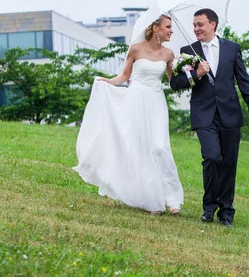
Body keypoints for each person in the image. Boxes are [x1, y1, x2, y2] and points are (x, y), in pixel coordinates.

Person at [73, 14, 184, 215]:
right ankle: (152, 200)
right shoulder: (135, 48)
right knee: (140, 147)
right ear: (155, 28)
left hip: (156, 102)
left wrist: (190, 71)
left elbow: (174, 83)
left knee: (160, 147)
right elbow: (125, 75)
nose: (171, 31)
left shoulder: (169, 54)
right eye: (168, 27)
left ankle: (172, 199)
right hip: (136, 100)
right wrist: (107, 82)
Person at [170, 8, 249, 227]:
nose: (196, 29)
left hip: (230, 113)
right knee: (212, 158)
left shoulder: (232, 48)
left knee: (229, 164)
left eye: (200, 24)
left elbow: (243, 80)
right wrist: (196, 74)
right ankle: (208, 207)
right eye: (194, 25)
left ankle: (226, 213)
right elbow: (176, 84)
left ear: (213, 24)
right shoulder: (187, 51)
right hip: (204, 114)